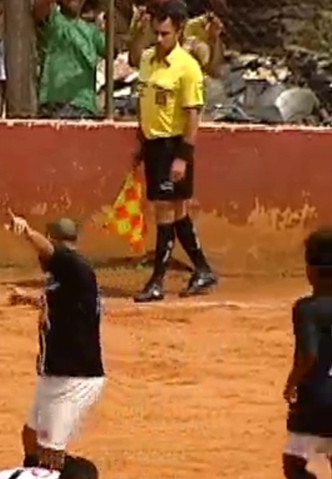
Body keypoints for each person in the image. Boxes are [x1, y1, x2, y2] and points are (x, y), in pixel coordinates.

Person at [6, 213, 117, 479]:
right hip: (54, 373)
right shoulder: (65, 279)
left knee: (52, 453)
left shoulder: (73, 265)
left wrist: (27, 233)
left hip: (75, 378)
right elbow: (58, 302)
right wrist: (27, 298)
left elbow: (52, 253)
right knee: (31, 437)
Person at [133, 0, 217, 303]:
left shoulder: (187, 68)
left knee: (165, 212)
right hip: (154, 143)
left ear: (179, 30)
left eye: (165, 33)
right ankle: (203, 269)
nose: (159, 39)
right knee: (176, 211)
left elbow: (193, 114)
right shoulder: (147, 59)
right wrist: (141, 144)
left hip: (173, 145)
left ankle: (158, 280)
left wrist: (183, 156)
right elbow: (144, 101)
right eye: (156, 32)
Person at [281, 227, 332, 479]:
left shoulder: (307, 308)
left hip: (316, 400)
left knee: (294, 464)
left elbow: (309, 356)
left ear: (311, 271)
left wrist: (291, 384)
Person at [33, 0, 106, 120]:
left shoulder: (92, 31)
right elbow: (39, 10)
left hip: (84, 107)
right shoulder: (54, 20)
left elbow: (112, 49)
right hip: (53, 104)